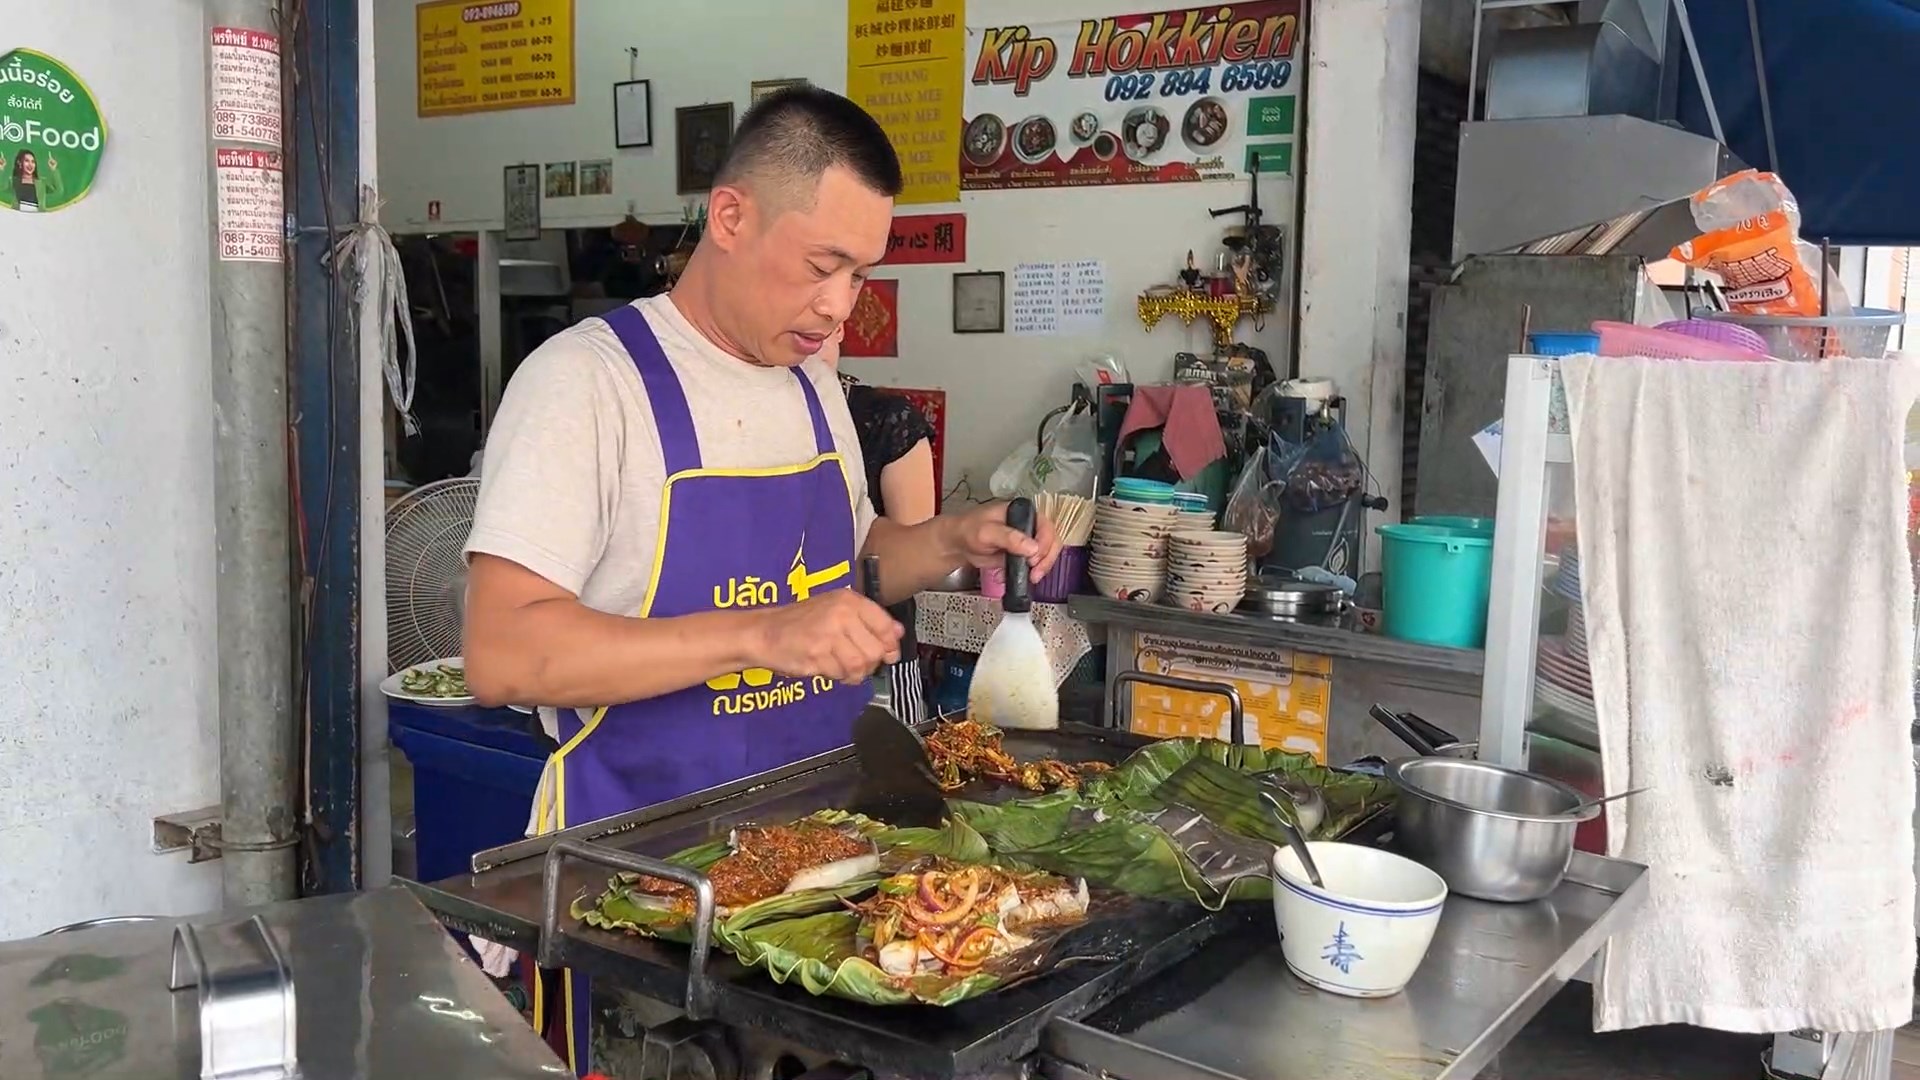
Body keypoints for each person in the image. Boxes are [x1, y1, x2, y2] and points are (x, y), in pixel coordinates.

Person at [459, 86, 1056, 1075]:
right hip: (642, 895)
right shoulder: (586, 384)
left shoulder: (811, 382)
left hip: (820, 870)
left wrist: (952, 539)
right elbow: (503, 650)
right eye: (823, 266)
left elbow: (854, 562)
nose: (839, 306)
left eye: (860, 275)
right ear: (731, 217)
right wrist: (763, 634)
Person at [820, 328, 938, 721]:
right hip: (792, 654)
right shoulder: (763, 415)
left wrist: (957, 539)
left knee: (891, 753)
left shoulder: (885, 419)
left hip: (879, 651)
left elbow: (910, 554)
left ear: (840, 327)